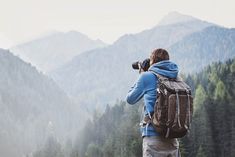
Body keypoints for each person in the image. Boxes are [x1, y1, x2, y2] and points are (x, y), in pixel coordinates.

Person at [126, 48, 181, 157]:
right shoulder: (176, 77)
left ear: (152, 62)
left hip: (153, 138)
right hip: (173, 138)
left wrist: (141, 74)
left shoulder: (147, 77)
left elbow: (130, 99)